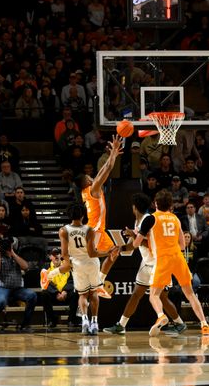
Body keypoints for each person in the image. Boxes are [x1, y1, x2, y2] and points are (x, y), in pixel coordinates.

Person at [46, 136, 122, 299]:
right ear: (87, 182)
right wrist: (113, 153)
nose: (92, 176)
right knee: (76, 263)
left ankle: (100, 284)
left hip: (99, 228)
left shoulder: (87, 190)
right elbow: (107, 169)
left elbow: (103, 171)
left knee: (114, 252)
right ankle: (49, 274)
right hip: (94, 230)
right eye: (89, 177)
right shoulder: (92, 190)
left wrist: (112, 156)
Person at [133, 190, 209, 336]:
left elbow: (136, 244)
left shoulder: (150, 218)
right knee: (190, 294)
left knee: (154, 295)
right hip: (178, 257)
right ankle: (204, 324)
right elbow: (182, 245)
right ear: (170, 205)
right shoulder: (175, 218)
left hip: (162, 259)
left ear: (155, 203)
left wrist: (139, 235)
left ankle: (161, 316)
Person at [104, 193, 186, 336]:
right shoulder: (138, 222)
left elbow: (149, 244)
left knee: (162, 298)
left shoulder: (149, 220)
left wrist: (134, 237)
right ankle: (121, 325)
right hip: (146, 263)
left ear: (134, 207)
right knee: (136, 294)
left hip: (159, 263)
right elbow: (133, 245)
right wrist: (119, 248)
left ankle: (179, 323)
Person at [58, 203, 117, 335]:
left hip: (77, 264)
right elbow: (92, 253)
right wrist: (107, 252)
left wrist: (68, 263)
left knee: (82, 294)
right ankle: (95, 323)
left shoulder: (63, 230)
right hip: (91, 263)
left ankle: (84, 320)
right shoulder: (89, 230)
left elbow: (64, 254)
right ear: (83, 215)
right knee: (94, 293)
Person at [0, 235, 37, 334]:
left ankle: (25, 324)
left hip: (16, 289)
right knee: (1, 300)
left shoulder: (16, 256)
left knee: (32, 295)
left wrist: (12, 253)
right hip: (0, 287)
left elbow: (26, 267)